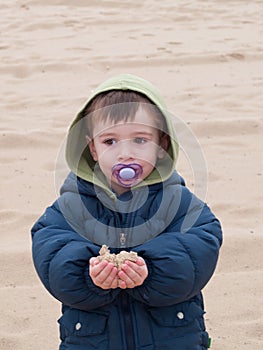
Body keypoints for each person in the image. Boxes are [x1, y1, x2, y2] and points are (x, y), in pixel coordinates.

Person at [31, 73, 222, 350]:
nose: (125, 154)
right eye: (110, 141)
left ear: (161, 146)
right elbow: (51, 251)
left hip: (172, 337)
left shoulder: (178, 201)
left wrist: (153, 269)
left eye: (140, 140)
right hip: (93, 339)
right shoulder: (72, 205)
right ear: (92, 149)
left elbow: (200, 246)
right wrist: (88, 275)